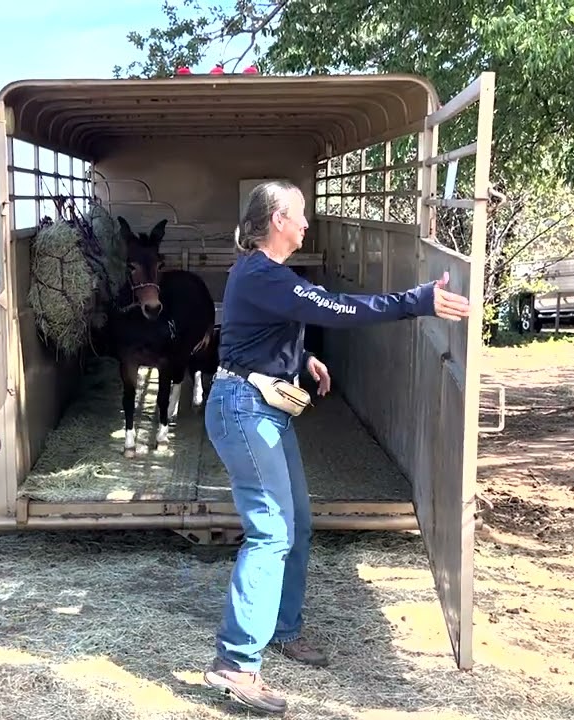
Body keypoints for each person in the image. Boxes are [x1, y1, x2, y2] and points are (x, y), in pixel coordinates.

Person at [201, 179, 472, 714]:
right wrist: (417, 301)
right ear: (277, 220)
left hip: (263, 406)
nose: (307, 223)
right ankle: (235, 662)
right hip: (244, 409)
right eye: (300, 214)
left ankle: (281, 627)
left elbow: (254, 334)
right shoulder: (261, 272)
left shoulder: (265, 276)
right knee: (271, 531)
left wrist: (300, 360)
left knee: (296, 522)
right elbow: (338, 308)